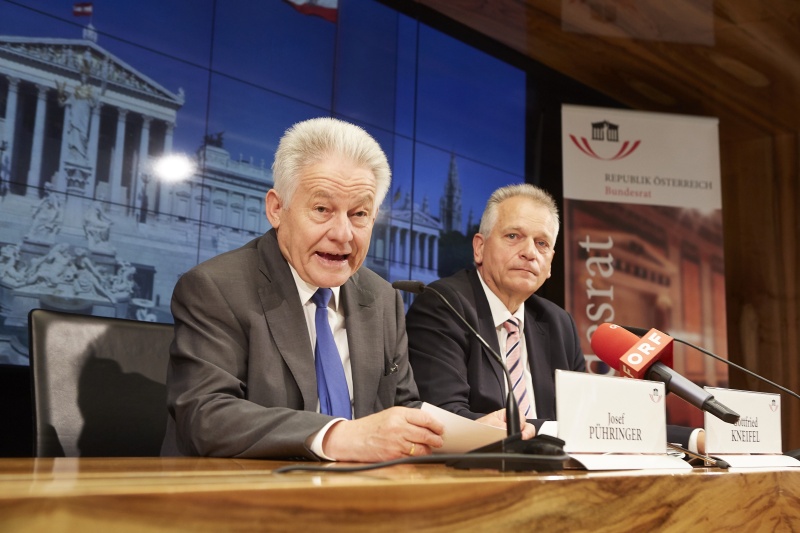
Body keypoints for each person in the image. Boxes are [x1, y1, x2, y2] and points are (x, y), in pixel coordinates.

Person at [161, 117, 448, 461]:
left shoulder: (383, 297)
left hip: (364, 495)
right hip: (243, 499)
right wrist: (339, 437)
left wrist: (479, 432)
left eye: (359, 214)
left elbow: (402, 406)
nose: (343, 234)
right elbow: (206, 416)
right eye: (322, 209)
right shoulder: (215, 287)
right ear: (277, 209)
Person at [406, 183, 703, 452]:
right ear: (479, 247)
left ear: (550, 265)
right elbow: (445, 420)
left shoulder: (557, 323)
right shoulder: (444, 305)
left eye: (542, 244)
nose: (529, 253)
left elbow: (595, 425)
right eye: (513, 236)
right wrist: (547, 430)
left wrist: (693, 438)